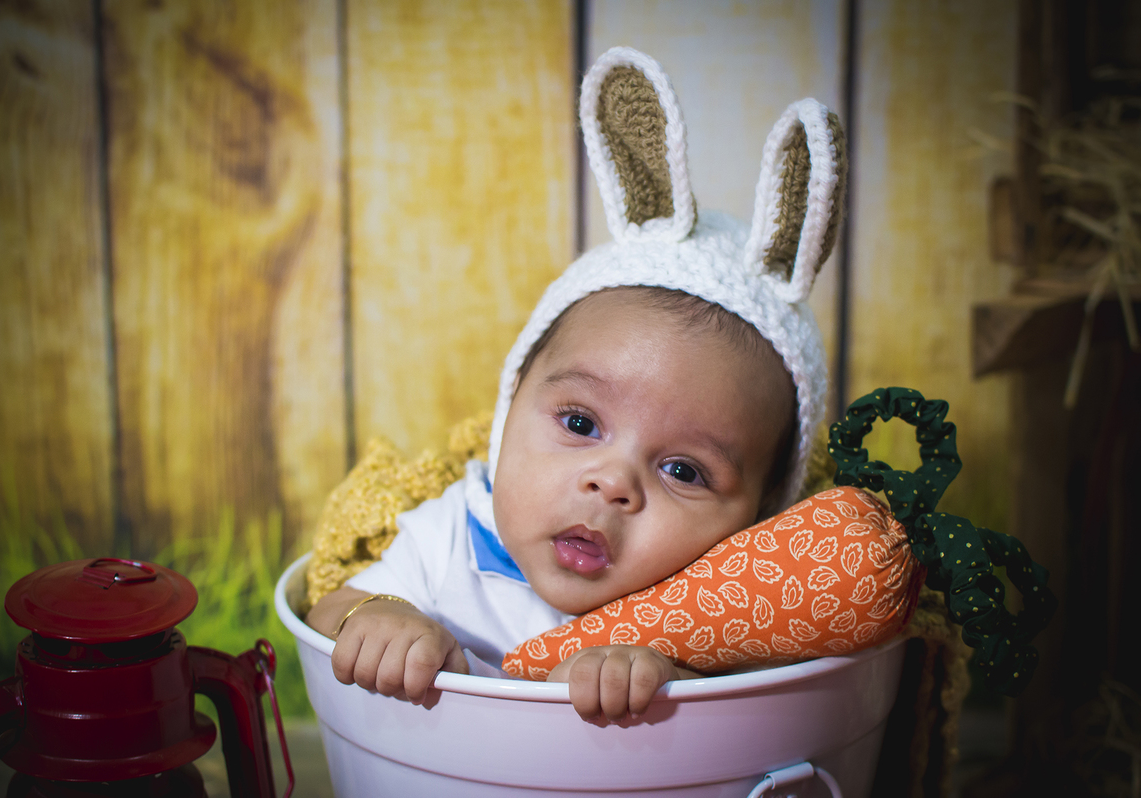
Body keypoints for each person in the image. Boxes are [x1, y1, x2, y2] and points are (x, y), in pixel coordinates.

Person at [306, 46, 844, 724]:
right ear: (507, 415)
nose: (611, 482)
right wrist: (377, 618)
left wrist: (668, 680)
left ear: (760, 519)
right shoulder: (452, 535)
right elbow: (327, 608)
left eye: (684, 469)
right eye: (581, 424)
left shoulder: (731, 605)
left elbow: (769, 706)